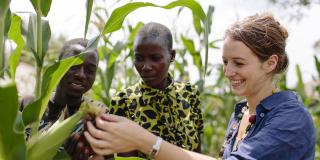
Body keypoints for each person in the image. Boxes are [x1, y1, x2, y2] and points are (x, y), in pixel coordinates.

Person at [83, 13, 315, 160]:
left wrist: (145, 141)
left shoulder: (291, 120)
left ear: (270, 63)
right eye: (225, 62)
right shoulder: (242, 112)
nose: (228, 72)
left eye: (239, 63)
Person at [106, 22, 203, 158]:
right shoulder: (123, 101)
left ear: (172, 56)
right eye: (139, 58)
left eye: (155, 58)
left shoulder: (190, 94)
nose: (146, 66)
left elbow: (197, 153)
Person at [20, 38, 107, 160]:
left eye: (90, 70)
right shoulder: (28, 104)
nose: (81, 75)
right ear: (58, 66)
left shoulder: (97, 115)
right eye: (73, 66)